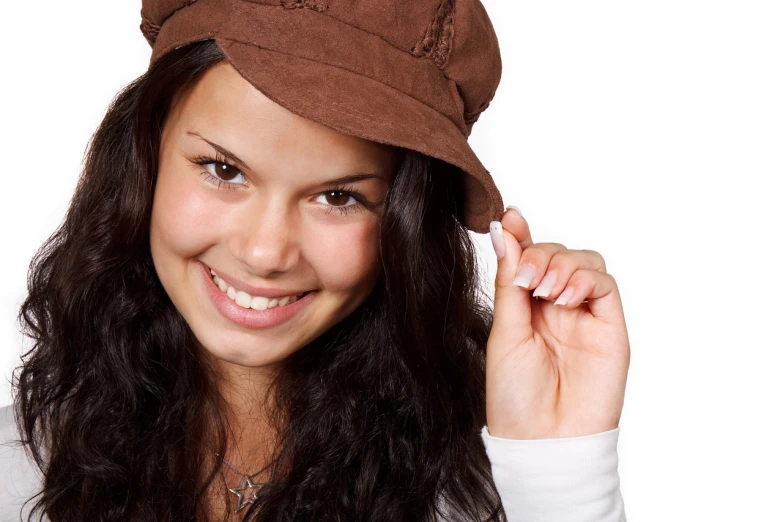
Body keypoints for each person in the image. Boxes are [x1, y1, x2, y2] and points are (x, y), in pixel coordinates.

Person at [1, 1, 630, 520]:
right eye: (223, 170)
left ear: (405, 226)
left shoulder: (489, 487)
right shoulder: (17, 467)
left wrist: (562, 478)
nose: (264, 252)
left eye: (339, 197)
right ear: (143, 158)